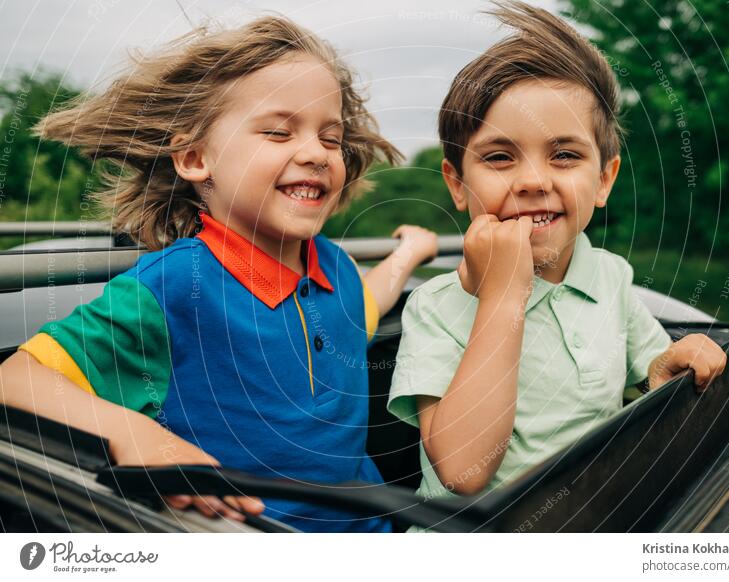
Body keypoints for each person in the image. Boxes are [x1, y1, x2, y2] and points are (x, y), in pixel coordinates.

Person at [0, 15, 437, 532]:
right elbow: (16, 379)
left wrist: (409, 252)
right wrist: (131, 434)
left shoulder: (335, 266)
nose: (316, 153)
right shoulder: (173, 285)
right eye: (278, 131)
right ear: (194, 159)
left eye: (331, 137)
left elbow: (364, 305)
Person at [387, 1, 726, 524]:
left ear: (605, 180)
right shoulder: (434, 306)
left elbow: (647, 377)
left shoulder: (611, 276)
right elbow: (462, 472)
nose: (533, 181)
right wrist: (502, 296)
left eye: (564, 155)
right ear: (458, 184)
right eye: (499, 157)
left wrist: (666, 368)